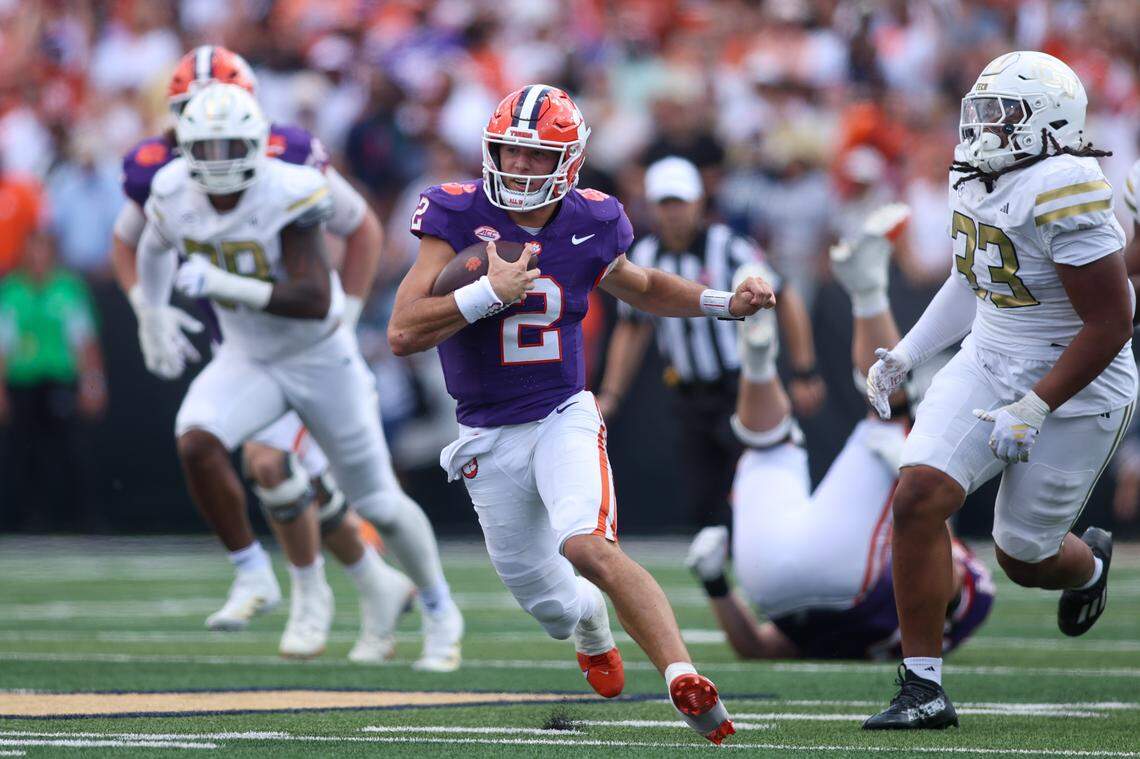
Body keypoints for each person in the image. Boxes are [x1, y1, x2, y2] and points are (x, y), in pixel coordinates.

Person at [387, 84, 776, 745]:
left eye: (538, 157)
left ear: (568, 163)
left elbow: (644, 286)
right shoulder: (454, 213)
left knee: (586, 543)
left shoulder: (592, 220)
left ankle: (682, 674)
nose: (520, 168)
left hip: (561, 411)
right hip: (484, 430)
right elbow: (402, 330)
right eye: (511, 152)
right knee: (549, 602)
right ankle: (590, 624)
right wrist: (486, 292)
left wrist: (721, 301)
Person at [129, 79, 460, 670]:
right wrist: (150, 310)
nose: (218, 162)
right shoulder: (172, 189)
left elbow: (311, 296)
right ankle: (253, 573)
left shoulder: (290, 188)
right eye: (205, 149)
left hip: (317, 356)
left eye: (231, 147)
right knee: (198, 441)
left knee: (379, 503)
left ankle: (439, 608)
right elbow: (150, 246)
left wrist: (225, 284)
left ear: (258, 144)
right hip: (248, 356)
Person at [862, 51, 1135, 729]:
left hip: (1078, 379)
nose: (983, 125)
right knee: (918, 494)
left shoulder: (1065, 184)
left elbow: (1112, 321)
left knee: (1024, 557)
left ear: (1047, 120)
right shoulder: (974, 174)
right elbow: (973, 275)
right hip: (988, 357)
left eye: (1001, 112)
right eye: (977, 110)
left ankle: (1088, 567)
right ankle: (922, 687)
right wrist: (907, 352)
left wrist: (1037, 402)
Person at [685, 203, 994, 661]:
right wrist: (715, 583)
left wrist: (936, 518)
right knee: (770, 448)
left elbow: (944, 577)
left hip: (844, 579)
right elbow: (757, 649)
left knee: (887, 421)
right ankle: (768, 357)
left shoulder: (964, 592)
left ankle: (857, 299)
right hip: (768, 585)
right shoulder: (849, 637)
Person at [597, 155, 822, 529]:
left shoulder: (729, 246)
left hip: (740, 388)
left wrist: (804, 370)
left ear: (699, 202)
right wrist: (612, 394)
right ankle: (720, 586)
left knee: (757, 490)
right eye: (664, 203)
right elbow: (633, 327)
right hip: (689, 396)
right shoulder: (645, 256)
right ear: (651, 207)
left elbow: (786, 297)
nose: (672, 213)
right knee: (704, 502)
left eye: (679, 202)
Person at [0, 233, 107, 530]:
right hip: (22, 381)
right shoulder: (11, 291)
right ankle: (27, 520)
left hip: (60, 379)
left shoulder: (67, 289)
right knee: (22, 453)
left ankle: (83, 519)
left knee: (70, 451)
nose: (37, 258)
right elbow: (2, 345)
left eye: (43, 250)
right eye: (32, 250)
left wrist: (94, 384)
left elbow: (85, 342)